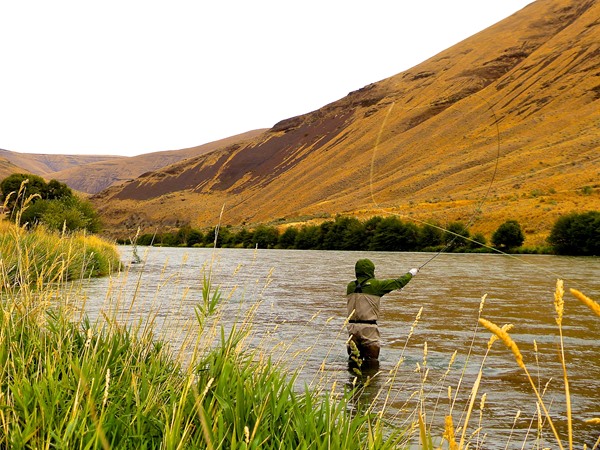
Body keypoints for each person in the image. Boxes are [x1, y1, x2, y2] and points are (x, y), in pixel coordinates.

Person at [346, 258, 418, 361]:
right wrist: (411, 273)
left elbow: (365, 290)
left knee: (353, 363)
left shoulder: (350, 286)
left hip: (352, 328)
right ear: (371, 270)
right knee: (372, 364)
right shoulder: (376, 285)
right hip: (369, 329)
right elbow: (399, 282)